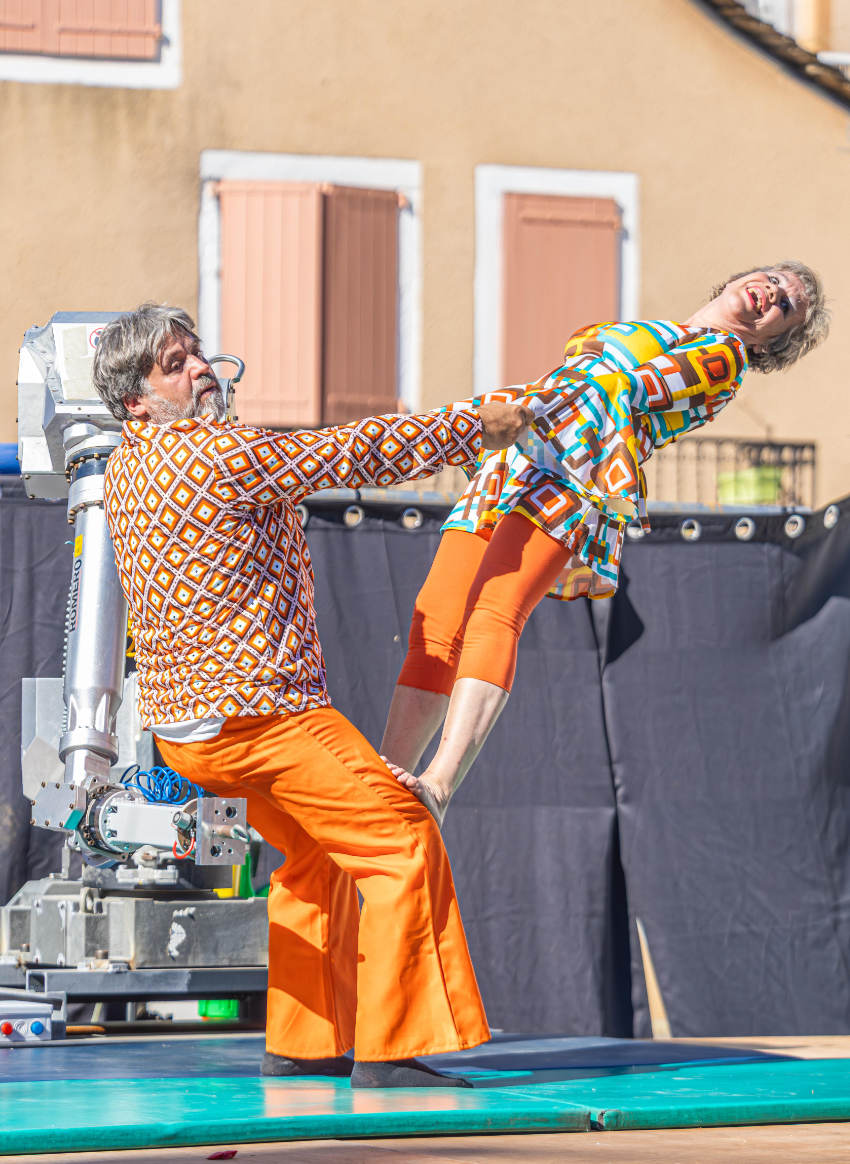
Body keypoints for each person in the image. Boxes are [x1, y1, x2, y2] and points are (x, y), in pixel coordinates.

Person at [92, 303, 532, 1088]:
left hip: (188, 737)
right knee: (404, 840)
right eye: (174, 364)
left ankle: (304, 1041)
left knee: (314, 858)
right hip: (263, 717)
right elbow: (355, 451)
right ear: (137, 400)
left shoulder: (123, 469)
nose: (200, 368)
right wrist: (479, 426)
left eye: (197, 353)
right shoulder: (218, 454)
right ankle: (394, 1049)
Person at [381, 262, 830, 827]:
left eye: (785, 306)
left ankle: (439, 784)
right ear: (744, 276)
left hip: (573, 474)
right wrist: (501, 416)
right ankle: (385, 776)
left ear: (771, 342)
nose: (772, 292)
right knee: (437, 619)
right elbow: (575, 379)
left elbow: (622, 388)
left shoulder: (726, 357)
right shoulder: (665, 330)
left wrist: (509, 409)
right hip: (514, 464)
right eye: (774, 278)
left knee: (495, 613)